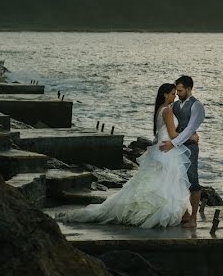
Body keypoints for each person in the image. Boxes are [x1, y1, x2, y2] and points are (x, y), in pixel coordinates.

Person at [62, 84, 194, 228]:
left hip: (162, 148)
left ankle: (159, 211)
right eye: (172, 93)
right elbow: (173, 134)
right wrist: (191, 136)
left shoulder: (160, 109)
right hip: (166, 149)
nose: (174, 96)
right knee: (163, 182)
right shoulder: (167, 111)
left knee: (159, 182)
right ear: (165, 94)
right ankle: (155, 213)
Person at [159, 75, 205, 228]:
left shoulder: (197, 106)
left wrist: (173, 143)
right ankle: (184, 214)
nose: (177, 93)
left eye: (180, 90)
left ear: (189, 89)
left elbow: (191, 128)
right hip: (178, 146)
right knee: (180, 179)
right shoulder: (175, 105)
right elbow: (172, 126)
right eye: (176, 91)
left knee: (193, 180)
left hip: (189, 148)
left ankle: (193, 218)